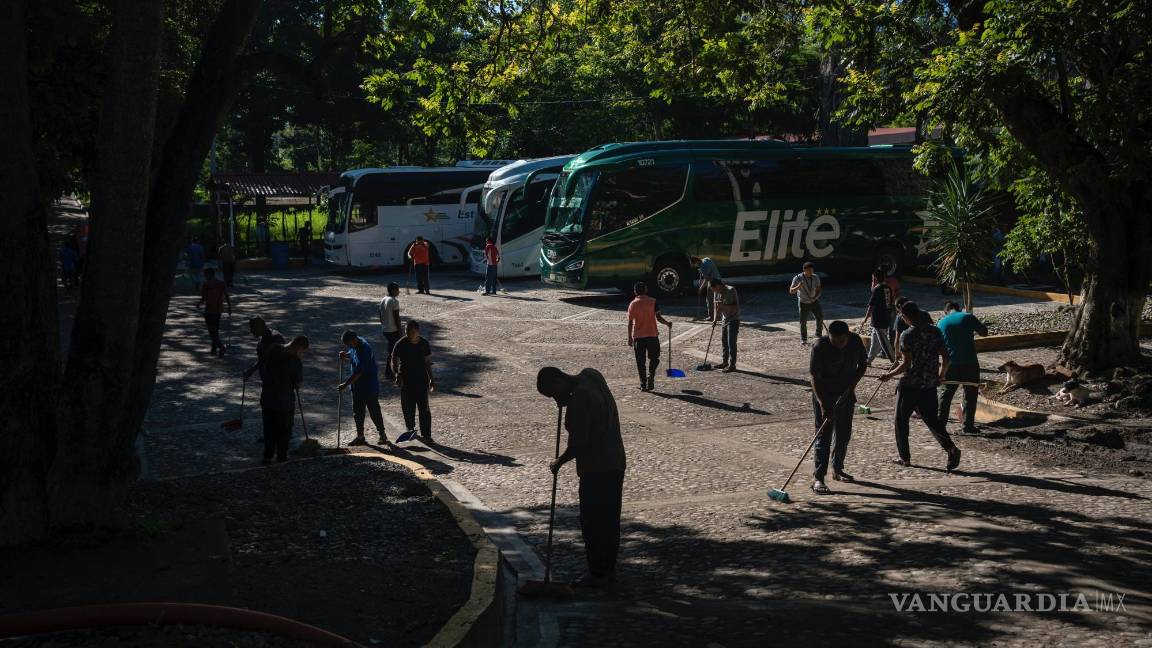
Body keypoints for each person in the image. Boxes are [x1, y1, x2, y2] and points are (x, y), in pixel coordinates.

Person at [537, 366, 626, 588]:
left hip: (596, 468)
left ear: (559, 381)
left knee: (593, 522)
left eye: (553, 394)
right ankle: (608, 569)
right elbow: (593, 407)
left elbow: (579, 443)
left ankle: (598, 572)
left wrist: (559, 462)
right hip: (615, 460)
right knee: (609, 518)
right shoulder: (591, 374)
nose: (556, 399)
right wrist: (567, 400)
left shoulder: (578, 401)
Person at [880, 302, 962, 471]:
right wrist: (941, 375)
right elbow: (946, 358)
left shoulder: (907, 335)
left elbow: (906, 364)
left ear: (905, 316)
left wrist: (889, 375)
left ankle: (905, 458)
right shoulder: (935, 331)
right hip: (929, 385)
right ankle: (951, 448)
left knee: (901, 421)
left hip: (910, 385)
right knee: (932, 420)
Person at [808, 320, 868, 494]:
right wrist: (823, 403)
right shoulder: (820, 346)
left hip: (846, 393)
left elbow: (862, 365)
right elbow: (814, 376)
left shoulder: (855, 341)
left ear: (847, 336)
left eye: (841, 342)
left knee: (843, 433)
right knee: (823, 436)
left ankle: (838, 469)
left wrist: (852, 384)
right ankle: (818, 478)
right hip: (824, 394)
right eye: (835, 342)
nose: (838, 345)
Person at [937, 301, 989, 434]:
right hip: (970, 363)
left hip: (950, 364)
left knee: (946, 395)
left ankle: (940, 425)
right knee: (970, 395)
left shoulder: (941, 323)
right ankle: (967, 426)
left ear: (945, 311)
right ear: (959, 309)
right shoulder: (967, 316)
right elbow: (984, 332)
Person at [260, 335, 309, 463]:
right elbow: (298, 384)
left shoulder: (274, 348)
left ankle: (267, 456)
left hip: (268, 398)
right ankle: (282, 456)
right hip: (284, 401)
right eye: (303, 351)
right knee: (284, 429)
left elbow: (263, 368)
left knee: (269, 429)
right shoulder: (295, 361)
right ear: (299, 347)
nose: (302, 353)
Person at [338, 330, 388, 446]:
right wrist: (346, 355)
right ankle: (360, 436)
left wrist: (345, 385)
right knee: (358, 412)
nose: (349, 346)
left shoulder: (364, 349)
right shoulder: (355, 343)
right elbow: (352, 353)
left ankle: (382, 434)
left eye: (349, 344)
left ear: (354, 340)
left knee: (374, 411)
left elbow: (358, 373)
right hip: (357, 387)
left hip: (369, 387)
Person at [392, 320, 434, 442]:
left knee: (424, 410)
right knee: (408, 408)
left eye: (411, 332)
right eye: (407, 331)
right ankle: (410, 429)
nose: (409, 334)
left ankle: (426, 434)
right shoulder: (400, 343)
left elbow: (427, 363)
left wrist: (432, 379)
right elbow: (393, 360)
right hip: (406, 382)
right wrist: (396, 374)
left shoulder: (424, 344)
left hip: (422, 381)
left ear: (417, 332)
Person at [627, 281, 673, 392]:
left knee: (640, 361)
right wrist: (667, 323)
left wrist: (629, 337)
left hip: (638, 337)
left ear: (635, 292)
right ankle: (651, 375)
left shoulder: (633, 304)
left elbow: (630, 322)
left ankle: (643, 384)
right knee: (654, 358)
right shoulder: (653, 302)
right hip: (652, 335)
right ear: (646, 290)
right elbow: (658, 317)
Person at [861, 268, 895, 366]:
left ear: (875, 278)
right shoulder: (887, 288)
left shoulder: (877, 289)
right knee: (875, 340)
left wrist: (866, 318)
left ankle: (894, 361)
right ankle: (869, 360)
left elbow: (871, 305)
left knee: (883, 341)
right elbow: (890, 303)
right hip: (885, 316)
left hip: (878, 319)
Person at [196, 267, 231, 356]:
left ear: (210, 274)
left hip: (209, 310)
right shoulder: (221, 283)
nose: (205, 276)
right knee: (215, 330)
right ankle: (214, 348)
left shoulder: (206, 285)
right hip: (218, 310)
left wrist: (199, 304)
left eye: (206, 275)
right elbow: (226, 295)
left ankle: (221, 347)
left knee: (212, 331)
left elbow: (204, 297)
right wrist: (230, 307)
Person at [789, 262, 824, 344]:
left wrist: (815, 297)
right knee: (803, 321)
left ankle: (818, 334)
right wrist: (798, 286)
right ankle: (803, 338)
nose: (811, 272)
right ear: (804, 270)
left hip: (814, 301)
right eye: (809, 271)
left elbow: (819, 289)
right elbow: (791, 291)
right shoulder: (797, 278)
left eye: (812, 270)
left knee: (820, 317)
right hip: (803, 302)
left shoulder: (815, 277)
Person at [711, 278, 740, 372]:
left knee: (731, 343)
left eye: (715, 289)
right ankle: (725, 362)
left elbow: (735, 307)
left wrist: (722, 306)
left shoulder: (731, 290)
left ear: (718, 285)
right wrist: (715, 320)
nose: (715, 292)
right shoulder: (716, 292)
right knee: (724, 342)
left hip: (733, 319)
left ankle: (732, 365)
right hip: (724, 319)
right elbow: (716, 307)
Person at [378, 282, 402, 380]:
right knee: (393, 352)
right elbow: (397, 317)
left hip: (386, 329)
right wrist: (400, 330)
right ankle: (390, 372)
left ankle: (390, 371)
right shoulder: (394, 301)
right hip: (393, 330)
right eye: (397, 289)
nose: (398, 291)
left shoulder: (383, 299)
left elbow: (380, 314)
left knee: (391, 350)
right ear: (393, 290)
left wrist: (384, 324)